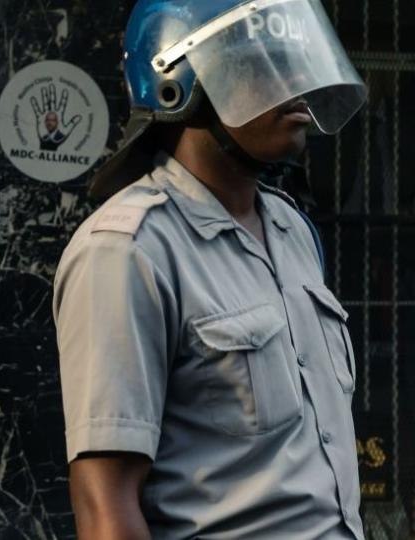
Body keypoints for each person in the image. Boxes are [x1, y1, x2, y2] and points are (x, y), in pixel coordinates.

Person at [53, 1, 367, 538]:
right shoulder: (128, 251)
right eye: (265, 65)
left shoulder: (293, 231)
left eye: (297, 62)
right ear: (180, 87)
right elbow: (106, 501)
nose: (296, 85)